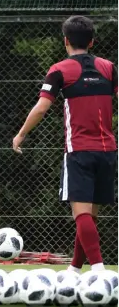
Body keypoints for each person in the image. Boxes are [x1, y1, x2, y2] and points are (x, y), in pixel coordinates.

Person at [13, 15, 117, 273]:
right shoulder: (109, 67)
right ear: (91, 41)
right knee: (90, 217)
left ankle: (98, 271)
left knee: (81, 215)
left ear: (66, 41)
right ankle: (74, 268)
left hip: (79, 151)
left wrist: (22, 133)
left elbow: (41, 107)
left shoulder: (60, 70)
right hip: (108, 152)